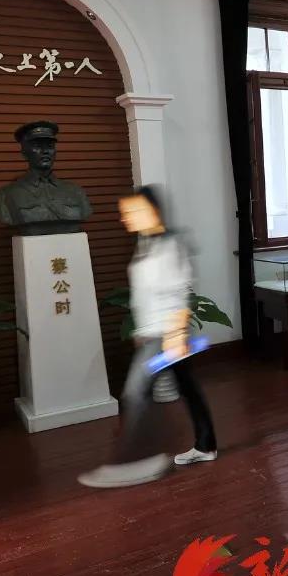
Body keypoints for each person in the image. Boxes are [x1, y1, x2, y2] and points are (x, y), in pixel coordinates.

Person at [78, 185, 218, 489]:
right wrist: (140, 332)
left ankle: (137, 461)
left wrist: (176, 334)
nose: (124, 218)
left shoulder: (171, 244)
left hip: (165, 335)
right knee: (187, 387)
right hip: (152, 334)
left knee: (134, 394)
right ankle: (205, 445)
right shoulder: (147, 243)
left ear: (151, 210)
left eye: (131, 211)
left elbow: (180, 291)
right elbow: (146, 294)